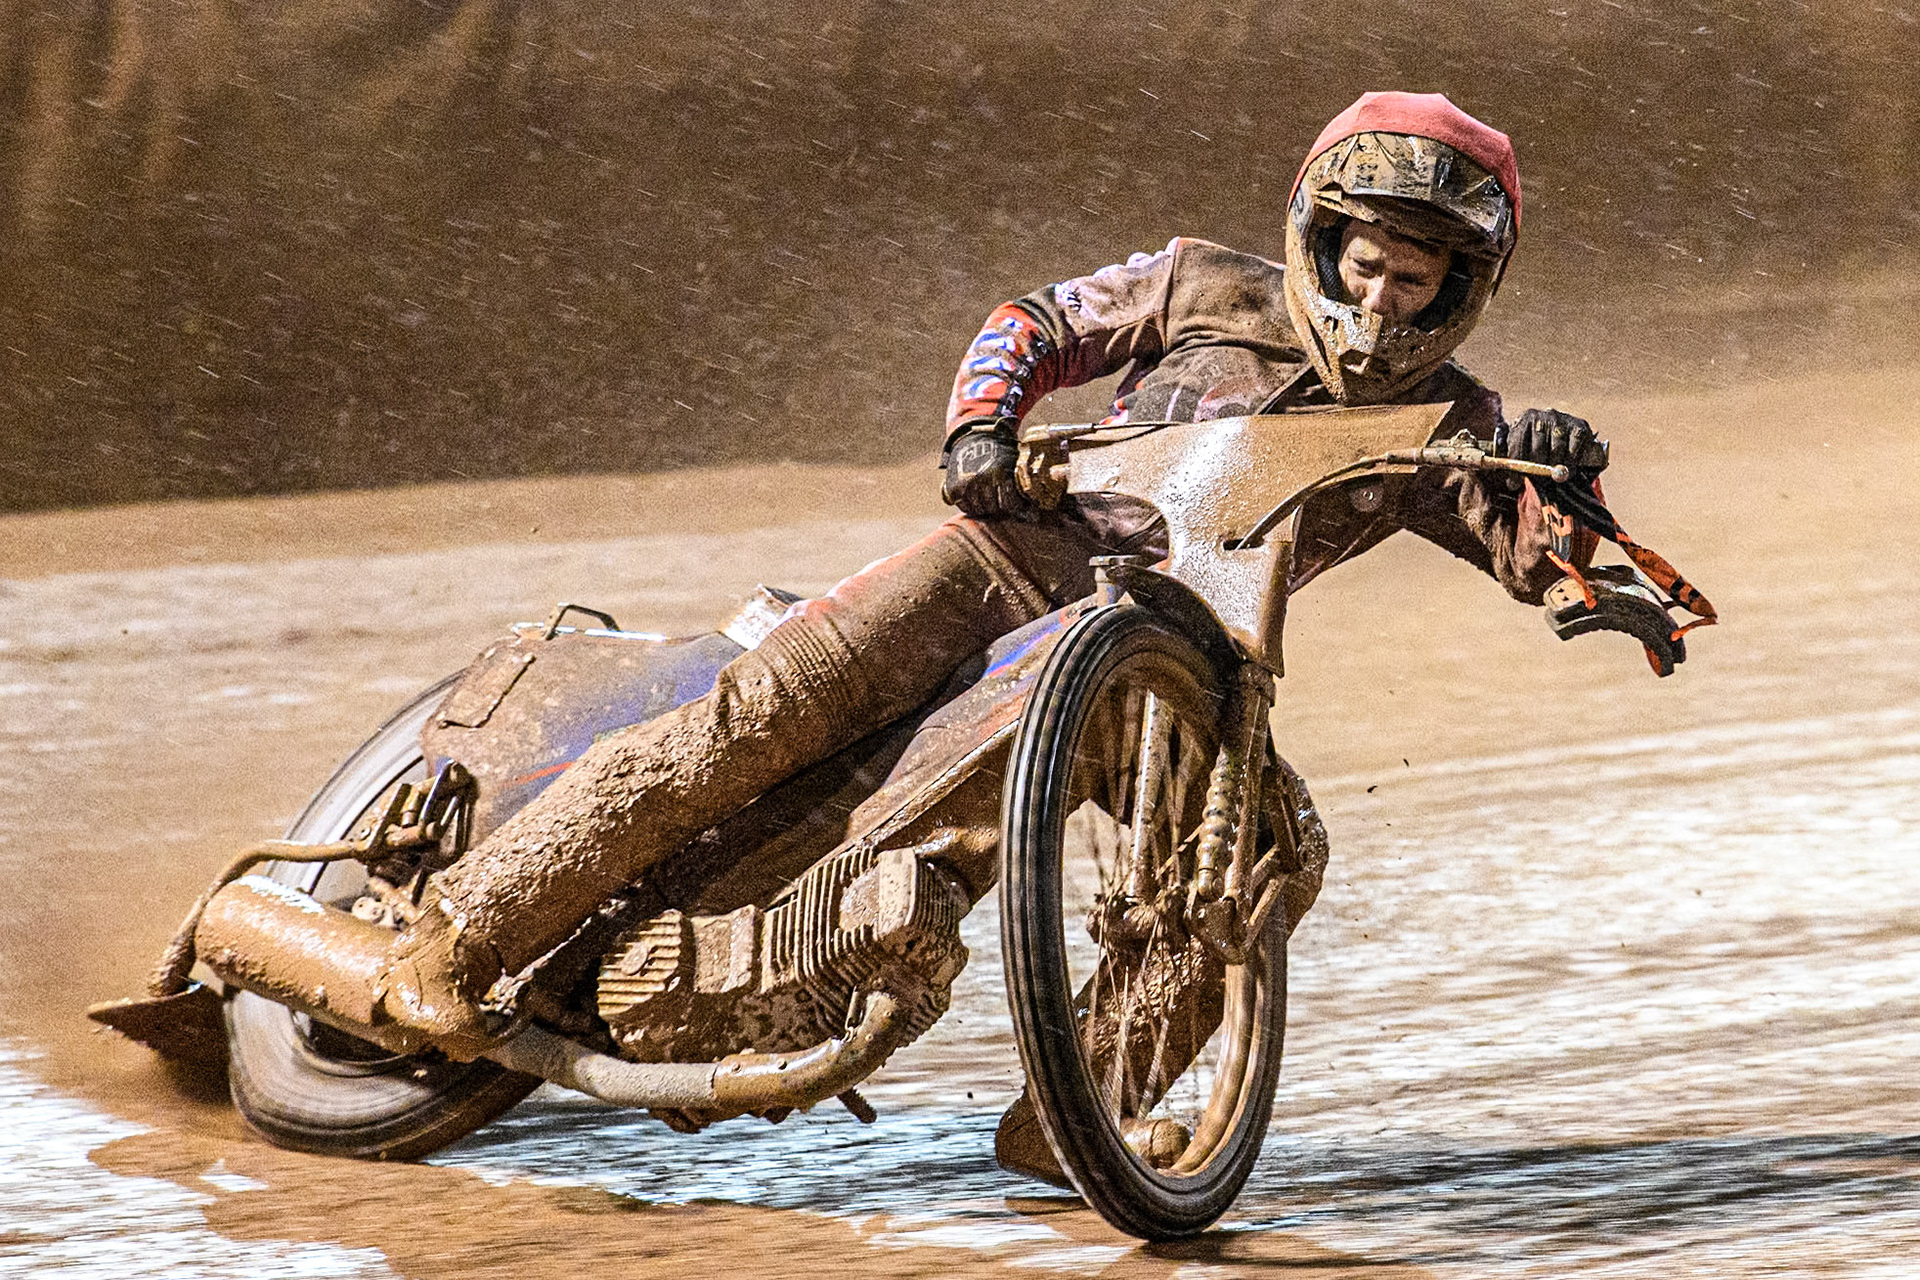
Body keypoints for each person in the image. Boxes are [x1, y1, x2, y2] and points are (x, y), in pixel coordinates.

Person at [255, 91, 1597, 1098]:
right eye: (1365, 258)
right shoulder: (1206, 281)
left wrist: (1563, 486)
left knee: (1274, 854)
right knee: (742, 730)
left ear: (1462, 290)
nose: (1380, 292)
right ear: (1317, 239)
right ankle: (450, 944)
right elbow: (1036, 322)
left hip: (1164, 673)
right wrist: (980, 429)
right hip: (1000, 568)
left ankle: (1091, 1109)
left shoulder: (1452, 424)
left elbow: (1544, 557)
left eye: (1415, 274)